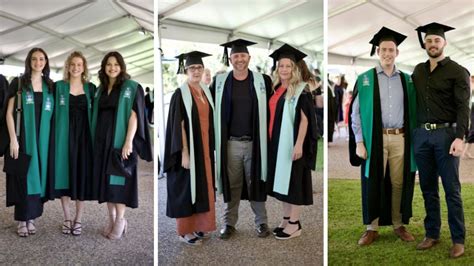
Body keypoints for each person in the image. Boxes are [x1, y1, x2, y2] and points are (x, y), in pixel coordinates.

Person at [348, 27, 417, 246]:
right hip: (373, 139)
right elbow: (355, 112)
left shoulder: (407, 81)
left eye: (392, 50)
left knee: (398, 183)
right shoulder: (365, 79)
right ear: (378, 52)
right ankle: (372, 228)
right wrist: (359, 141)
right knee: (373, 181)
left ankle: (398, 224)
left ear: (397, 53)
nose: (388, 53)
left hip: (400, 139)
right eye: (384, 49)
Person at [412, 22, 470, 258]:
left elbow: (463, 107)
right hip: (421, 136)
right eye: (429, 40)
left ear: (444, 42)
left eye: (436, 40)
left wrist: (460, 137)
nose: (433, 44)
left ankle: (458, 239)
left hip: (446, 135)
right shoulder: (418, 70)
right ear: (424, 43)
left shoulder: (457, 71)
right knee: (427, 188)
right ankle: (432, 233)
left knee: (451, 189)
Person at [210, 39, 273, 239]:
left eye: (243, 55)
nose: (239, 59)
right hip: (230, 144)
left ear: (249, 58)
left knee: (256, 182)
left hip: (256, 143)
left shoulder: (262, 81)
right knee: (233, 184)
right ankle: (228, 224)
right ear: (230, 59)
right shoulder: (220, 82)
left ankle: (262, 223)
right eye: (236, 56)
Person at [91, 51, 152, 240]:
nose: (112, 67)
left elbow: (135, 116)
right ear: (104, 67)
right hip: (102, 144)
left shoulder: (130, 88)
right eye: (109, 64)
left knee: (119, 183)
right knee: (107, 185)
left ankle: (121, 221)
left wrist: (128, 142)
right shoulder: (100, 89)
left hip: (120, 143)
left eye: (116, 64)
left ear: (122, 66)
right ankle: (111, 219)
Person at [164, 51, 216, 245]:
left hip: (203, 149)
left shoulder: (204, 91)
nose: (196, 71)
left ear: (203, 69)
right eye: (192, 68)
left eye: (199, 67)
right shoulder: (181, 93)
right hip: (188, 149)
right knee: (186, 188)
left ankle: (199, 226)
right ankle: (185, 231)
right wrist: (184, 152)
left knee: (202, 187)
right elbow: (180, 124)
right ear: (186, 70)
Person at [267, 44, 318, 240]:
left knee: (294, 182)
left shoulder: (300, 90)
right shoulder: (277, 88)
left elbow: (305, 120)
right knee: (283, 182)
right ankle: (286, 218)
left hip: (293, 145)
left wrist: (298, 145)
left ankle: (295, 224)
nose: (284, 69)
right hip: (277, 143)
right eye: (281, 66)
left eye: (288, 66)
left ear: (294, 69)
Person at [4, 48, 54, 237]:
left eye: (42, 59)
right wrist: (13, 140)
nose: (38, 62)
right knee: (22, 178)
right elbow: (8, 113)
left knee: (38, 177)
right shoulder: (19, 83)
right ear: (29, 61)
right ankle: (22, 219)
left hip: (42, 141)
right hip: (23, 139)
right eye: (34, 59)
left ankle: (32, 217)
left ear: (46, 62)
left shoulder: (50, 85)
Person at [53, 51, 96, 236]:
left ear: (84, 67)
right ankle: (67, 217)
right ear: (67, 66)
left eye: (79, 64)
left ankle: (78, 219)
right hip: (64, 138)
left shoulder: (91, 88)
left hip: (84, 140)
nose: (76, 67)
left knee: (81, 176)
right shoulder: (58, 87)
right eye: (73, 64)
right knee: (65, 175)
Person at [463, 75, 474, 158]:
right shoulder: (470, 88)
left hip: (471, 110)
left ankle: (466, 151)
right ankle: (465, 151)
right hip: (472, 110)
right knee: (472, 132)